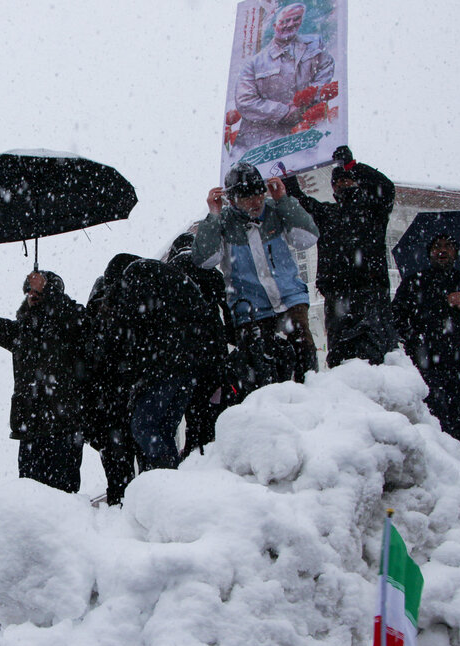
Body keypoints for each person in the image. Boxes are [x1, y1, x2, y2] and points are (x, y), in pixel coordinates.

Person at [0, 264, 88, 493]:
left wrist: (48, 291)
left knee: (63, 499)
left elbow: (78, 319)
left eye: (37, 292)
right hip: (30, 429)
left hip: (64, 427)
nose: (32, 295)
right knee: (29, 502)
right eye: (29, 291)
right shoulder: (20, 334)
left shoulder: (67, 324)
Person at [193, 161, 320, 382]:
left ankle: (312, 401)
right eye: (247, 197)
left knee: (305, 362)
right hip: (251, 310)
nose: (256, 201)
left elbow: (307, 238)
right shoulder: (223, 223)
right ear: (231, 200)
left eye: (258, 194)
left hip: (290, 300)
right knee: (262, 374)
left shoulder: (277, 211)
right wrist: (213, 216)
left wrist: (284, 200)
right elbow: (205, 259)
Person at [106, 257, 226, 471]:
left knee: (144, 426)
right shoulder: (168, 278)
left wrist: (132, 374)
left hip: (163, 367)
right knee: (165, 428)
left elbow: (129, 332)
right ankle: (171, 480)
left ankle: (167, 472)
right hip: (189, 366)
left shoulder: (133, 280)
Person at [283, 145, 399, 367]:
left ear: (357, 182)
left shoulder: (374, 210)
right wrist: (289, 173)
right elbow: (299, 201)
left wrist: (353, 166)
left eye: (347, 180)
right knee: (341, 361)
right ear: (333, 188)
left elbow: (386, 188)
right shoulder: (328, 214)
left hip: (370, 294)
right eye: (337, 182)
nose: (343, 184)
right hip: (337, 297)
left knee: (376, 357)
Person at [392, 234, 460, 458]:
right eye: (437, 246)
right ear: (429, 251)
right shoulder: (415, 282)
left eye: (448, 246)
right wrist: (416, 337)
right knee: (429, 433)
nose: (442, 250)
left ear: (456, 252)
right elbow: (395, 320)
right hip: (424, 371)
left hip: (457, 370)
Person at [233, 2, 335, 153]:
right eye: (285, 21)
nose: (291, 24)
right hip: (263, 143)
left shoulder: (315, 44)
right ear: (274, 25)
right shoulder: (254, 63)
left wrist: (305, 101)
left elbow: (326, 68)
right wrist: (284, 111)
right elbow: (245, 101)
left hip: (305, 136)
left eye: (296, 19)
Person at [163, 234, 232, 457]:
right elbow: (227, 307)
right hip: (213, 349)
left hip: (182, 354)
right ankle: (213, 447)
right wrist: (231, 338)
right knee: (214, 404)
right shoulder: (210, 270)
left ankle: (194, 449)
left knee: (191, 408)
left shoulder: (168, 274)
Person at [84, 253, 142, 503]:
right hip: (124, 401)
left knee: (118, 474)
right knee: (140, 469)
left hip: (107, 408)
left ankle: (122, 506)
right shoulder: (129, 310)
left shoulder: (93, 322)